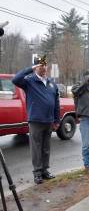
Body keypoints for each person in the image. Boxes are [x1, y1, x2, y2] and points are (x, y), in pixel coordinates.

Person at [12, 55, 59, 184]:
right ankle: (37, 172)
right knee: (36, 148)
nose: (43, 67)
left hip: (49, 121)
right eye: (39, 65)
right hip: (36, 121)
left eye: (44, 65)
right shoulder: (29, 81)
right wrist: (30, 68)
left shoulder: (51, 84)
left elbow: (56, 102)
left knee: (46, 148)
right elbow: (15, 79)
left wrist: (56, 120)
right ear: (35, 67)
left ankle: (45, 170)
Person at [71, 70, 89, 175]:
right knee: (87, 144)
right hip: (85, 118)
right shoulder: (78, 85)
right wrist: (86, 82)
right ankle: (88, 165)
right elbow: (76, 92)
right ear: (84, 76)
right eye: (88, 75)